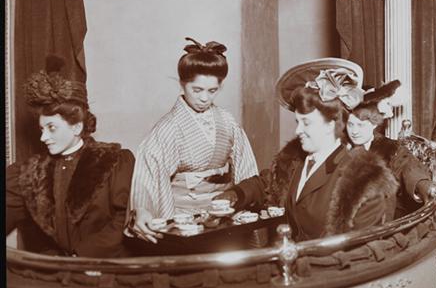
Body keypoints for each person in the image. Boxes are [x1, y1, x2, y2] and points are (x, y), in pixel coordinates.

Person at [215, 58, 399, 241]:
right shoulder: (295, 160)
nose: (298, 130)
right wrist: (234, 195)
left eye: (307, 123)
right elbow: (266, 183)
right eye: (298, 122)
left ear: (331, 124)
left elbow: (360, 251)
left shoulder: (363, 178)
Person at [128, 38, 258, 243]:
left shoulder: (227, 121)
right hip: (184, 218)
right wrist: (144, 209)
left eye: (212, 91)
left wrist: (243, 199)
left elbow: (246, 171)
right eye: (197, 90)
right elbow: (150, 176)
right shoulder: (168, 128)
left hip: (223, 216)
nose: (204, 98)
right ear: (182, 85)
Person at [6, 56, 135, 258]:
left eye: (52, 128)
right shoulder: (30, 172)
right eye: (42, 129)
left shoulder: (115, 161)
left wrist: (81, 255)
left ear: (76, 127)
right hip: (54, 267)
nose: (43, 137)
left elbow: (123, 219)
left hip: (104, 263)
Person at [346, 79, 436, 216]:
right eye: (350, 125)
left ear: (374, 124)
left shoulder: (390, 148)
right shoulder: (341, 147)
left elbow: (408, 168)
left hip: (382, 215)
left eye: (360, 125)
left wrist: (422, 185)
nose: (354, 131)